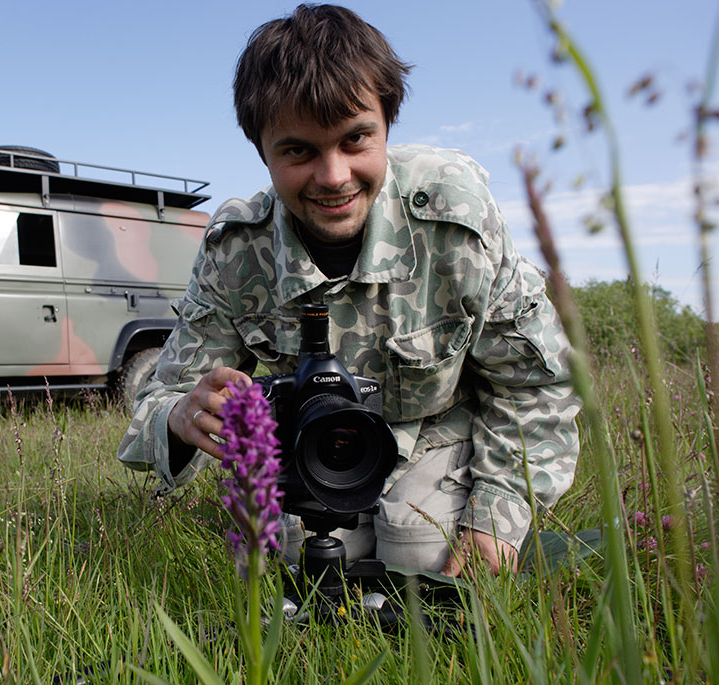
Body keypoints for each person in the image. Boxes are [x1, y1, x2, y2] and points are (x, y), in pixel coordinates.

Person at [117, 3, 580, 577]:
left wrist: (497, 516)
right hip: (308, 453)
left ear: (387, 126)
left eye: (356, 139)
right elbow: (153, 407)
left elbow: (536, 385)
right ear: (261, 150)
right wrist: (182, 415)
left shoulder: (455, 219)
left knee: (421, 556)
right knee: (282, 563)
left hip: (434, 430)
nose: (333, 177)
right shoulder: (236, 251)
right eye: (298, 151)